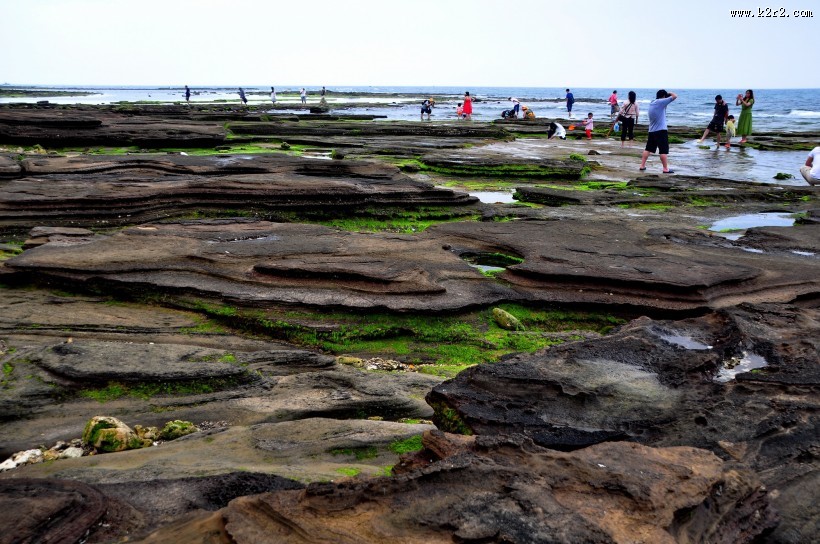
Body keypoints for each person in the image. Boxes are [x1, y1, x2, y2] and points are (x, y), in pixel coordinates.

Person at [638, 89, 678, 173]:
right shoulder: (661, 102)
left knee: (648, 149)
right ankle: (665, 168)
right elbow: (675, 96)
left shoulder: (652, 103)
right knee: (663, 150)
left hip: (652, 130)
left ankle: (642, 166)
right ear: (663, 96)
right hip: (661, 130)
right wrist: (669, 93)